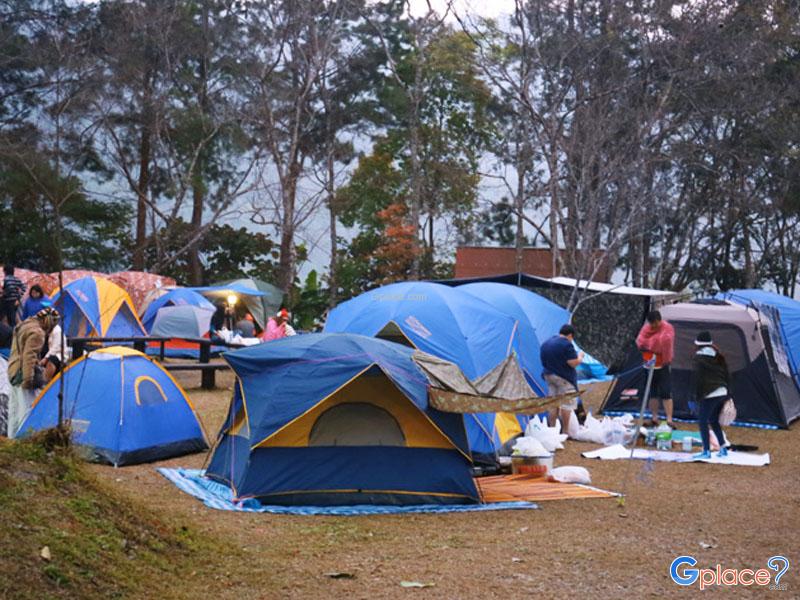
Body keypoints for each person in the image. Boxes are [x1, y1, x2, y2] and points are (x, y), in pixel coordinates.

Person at [7, 307, 59, 437]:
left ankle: (12, 440)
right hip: (23, 374)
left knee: (13, 412)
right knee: (26, 412)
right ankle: (24, 441)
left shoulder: (24, 326)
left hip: (12, 371)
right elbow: (29, 357)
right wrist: (28, 380)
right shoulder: (37, 333)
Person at [691, 331, 731, 459]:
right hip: (722, 391)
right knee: (713, 420)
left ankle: (706, 451)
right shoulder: (718, 355)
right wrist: (728, 394)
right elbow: (727, 374)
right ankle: (723, 448)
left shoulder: (698, 358)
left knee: (702, 421)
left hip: (709, 393)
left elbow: (698, 379)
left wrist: (696, 397)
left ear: (698, 345)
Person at [636, 310, 676, 428]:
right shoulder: (646, 328)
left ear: (660, 320)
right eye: (651, 323)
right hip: (648, 364)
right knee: (652, 392)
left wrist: (651, 343)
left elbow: (664, 342)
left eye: (656, 323)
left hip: (663, 364)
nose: (653, 326)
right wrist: (653, 342)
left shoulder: (668, 328)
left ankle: (669, 419)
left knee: (666, 392)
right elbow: (639, 342)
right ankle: (654, 418)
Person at [540, 324, 584, 431]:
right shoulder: (566, 344)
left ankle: (552, 429)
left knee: (553, 404)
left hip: (548, 376)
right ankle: (565, 431)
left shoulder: (546, 343)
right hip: (564, 379)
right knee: (566, 404)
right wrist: (580, 357)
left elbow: (543, 361)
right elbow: (572, 363)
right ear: (570, 335)